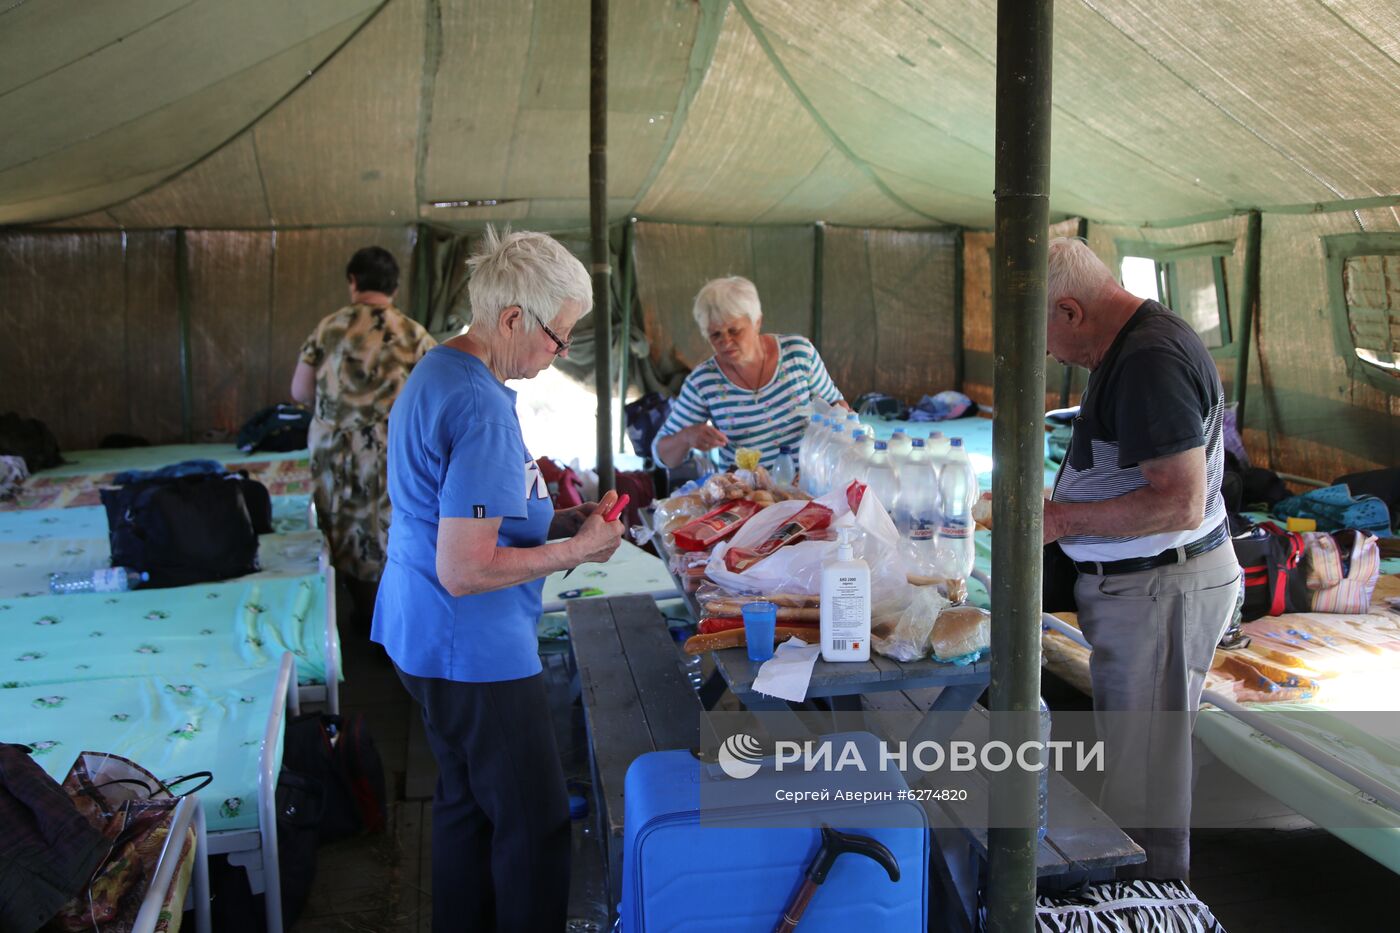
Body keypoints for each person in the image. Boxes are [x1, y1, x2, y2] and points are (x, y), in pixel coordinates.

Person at [373, 229, 625, 931]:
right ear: (513, 318)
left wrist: (560, 520)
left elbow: (454, 515)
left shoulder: (440, 369)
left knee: (467, 804)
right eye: (558, 335)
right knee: (535, 823)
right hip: (473, 651)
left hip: (420, 633)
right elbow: (467, 566)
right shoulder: (482, 406)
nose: (560, 352)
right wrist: (578, 551)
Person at [1041, 237, 1242, 881]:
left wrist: (1062, 519)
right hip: (1146, 587)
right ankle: (1136, 901)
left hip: (1163, 588)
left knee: (1147, 782)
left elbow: (1178, 502)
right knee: (1135, 768)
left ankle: (1152, 908)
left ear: (1070, 311)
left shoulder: (1149, 359)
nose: (1045, 351)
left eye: (1041, 330)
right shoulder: (1131, 346)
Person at [290, 246, 436, 626]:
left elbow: (300, 392)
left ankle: (359, 614)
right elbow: (435, 400)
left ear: (353, 282)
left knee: (343, 530)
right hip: (394, 454)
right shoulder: (415, 335)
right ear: (395, 287)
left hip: (337, 454)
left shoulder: (330, 328)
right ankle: (393, 621)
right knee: (393, 532)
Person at [652, 275, 848, 470]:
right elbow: (661, 455)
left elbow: (837, 405)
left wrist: (841, 426)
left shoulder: (798, 355)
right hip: (745, 494)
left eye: (734, 331)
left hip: (808, 483)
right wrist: (687, 436)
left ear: (757, 322)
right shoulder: (703, 382)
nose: (726, 342)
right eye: (715, 335)